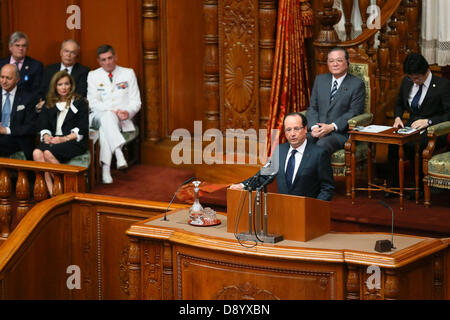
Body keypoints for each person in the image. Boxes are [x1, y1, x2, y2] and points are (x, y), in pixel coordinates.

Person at [230, 112, 335, 201]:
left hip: (307, 214)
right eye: (288, 130)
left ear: (305, 129)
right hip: (283, 211)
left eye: (296, 129)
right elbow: (264, 175)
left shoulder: (319, 154)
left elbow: (327, 187)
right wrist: (243, 185)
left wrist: (316, 207)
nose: (292, 134)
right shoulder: (280, 150)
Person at [387, 53, 450, 197]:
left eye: (417, 78)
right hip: (411, 127)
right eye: (411, 78)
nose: (414, 81)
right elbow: (399, 103)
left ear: (426, 71)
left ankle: (420, 188)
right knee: (393, 144)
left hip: (435, 130)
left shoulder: (443, 85)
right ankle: (395, 187)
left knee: (416, 145)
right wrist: (397, 117)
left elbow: (448, 114)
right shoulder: (407, 81)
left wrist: (428, 122)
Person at [87, 44, 141, 184]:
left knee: (106, 127)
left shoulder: (128, 73)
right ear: (99, 61)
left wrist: (127, 113)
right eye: (103, 60)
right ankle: (119, 153)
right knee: (107, 117)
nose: (107, 62)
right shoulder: (93, 75)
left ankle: (106, 169)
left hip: (121, 119)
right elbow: (92, 102)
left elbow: (136, 101)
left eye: (110, 58)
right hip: (98, 116)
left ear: (116, 57)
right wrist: (112, 110)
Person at [33, 71, 89, 195]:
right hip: (54, 140)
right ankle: (52, 192)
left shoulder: (79, 102)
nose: (63, 87)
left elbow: (82, 128)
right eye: (60, 84)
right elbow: (43, 124)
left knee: (47, 153)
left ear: (71, 85)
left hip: (73, 141)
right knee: (37, 153)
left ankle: (67, 187)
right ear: (55, 86)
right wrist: (46, 136)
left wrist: (63, 139)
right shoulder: (49, 103)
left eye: (66, 84)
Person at [306, 47, 366, 156]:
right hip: (317, 130)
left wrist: (331, 127)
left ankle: (318, 173)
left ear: (348, 62)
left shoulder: (357, 84)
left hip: (339, 133)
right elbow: (312, 108)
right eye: (331, 61)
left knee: (321, 145)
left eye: (339, 60)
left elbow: (354, 112)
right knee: (299, 141)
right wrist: (314, 128)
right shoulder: (320, 80)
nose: (335, 64)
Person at [37, 39, 90, 112]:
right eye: (66, 51)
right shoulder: (49, 70)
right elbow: (43, 91)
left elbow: (81, 93)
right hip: (51, 108)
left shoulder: (84, 71)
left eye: (73, 52)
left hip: (72, 109)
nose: (68, 55)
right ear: (61, 52)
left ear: (77, 55)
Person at [0, 64, 37, 160]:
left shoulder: (28, 97)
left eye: (8, 78)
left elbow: (31, 127)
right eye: (2, 77)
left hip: (17, 138)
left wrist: (6, 130)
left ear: (17, 79)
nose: (4, 81)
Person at [0, 31, 43, 101]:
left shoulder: (36, 66)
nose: (21, 48)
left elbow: (36, 90)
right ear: (10, 47)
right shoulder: (1, 64)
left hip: (26, 104)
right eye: (17, 45)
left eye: (24, 46)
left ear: (27, 48)